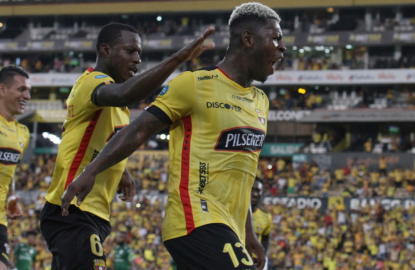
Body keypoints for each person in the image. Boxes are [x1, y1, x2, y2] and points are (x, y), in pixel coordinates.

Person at [62, 3, 286, 269]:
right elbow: (138, 129)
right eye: (275, 39)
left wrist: (248, 233)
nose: (281, 48)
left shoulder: (261, 100)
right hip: (195, 220)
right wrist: (90, 171)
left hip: (231, 229)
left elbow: (243, 175)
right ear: (248, 39)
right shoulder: (194, 84)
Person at [40, 22, 215, 270]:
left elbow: (88, 139)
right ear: (106, 50)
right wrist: (178, 59)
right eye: (130, 51)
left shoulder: (117, 109)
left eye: (140, 54)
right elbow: (126, 94)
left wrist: (120, 169)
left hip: (93, 213)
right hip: (71, 209)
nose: (137, 59)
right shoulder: (92, 82)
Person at [0, 65, 31, 270]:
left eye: (28, 91)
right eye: (21, 89)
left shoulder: (23, 133)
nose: (27, 96)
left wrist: (11, 197)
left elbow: (8, 172)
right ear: (2, 89)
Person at [251, 179, 272, 270]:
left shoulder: (266, 216)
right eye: (252, 189)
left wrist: (264, 255)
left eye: (258, 191)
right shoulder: (234, 213)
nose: (255, 194)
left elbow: (266, 238)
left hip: (255, 261)